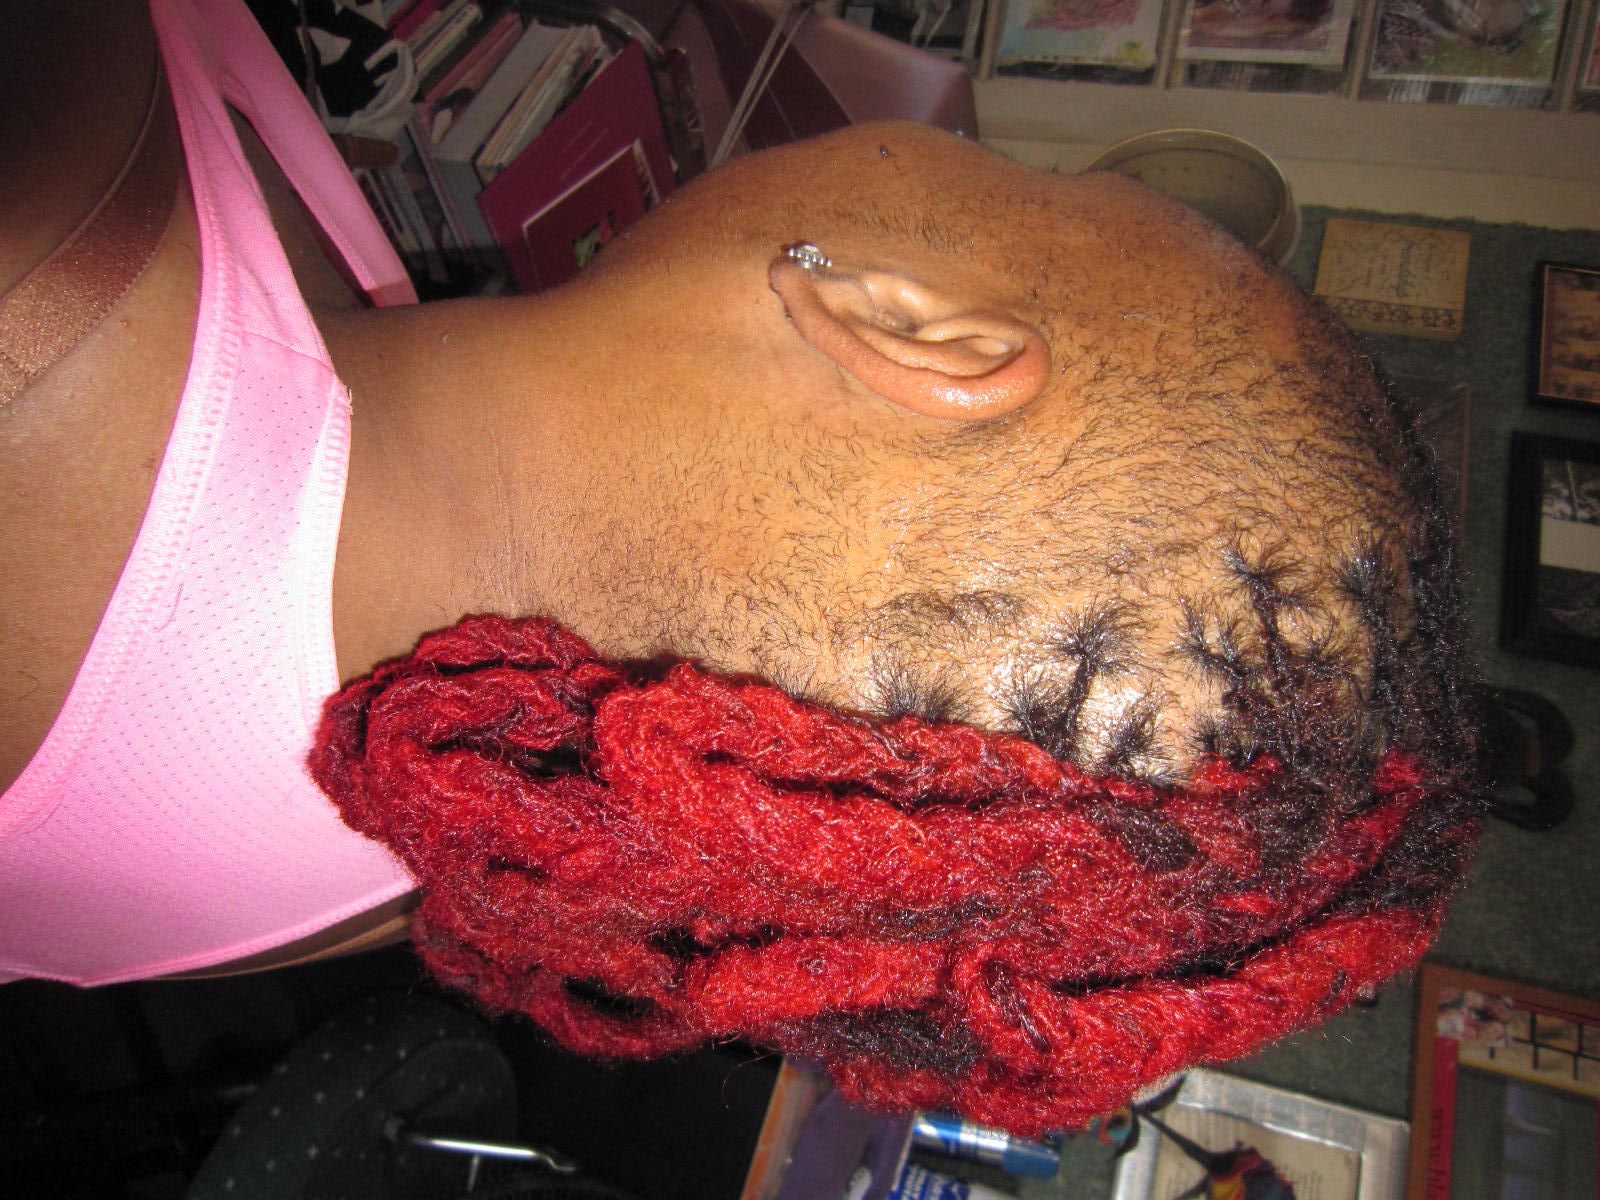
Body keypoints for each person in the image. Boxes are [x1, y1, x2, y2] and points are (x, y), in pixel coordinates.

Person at [2, 0, 1479, 1133]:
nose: (974, 153)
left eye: (1028, 179)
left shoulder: (47, 237)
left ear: (908, 329)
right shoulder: (439, 844)